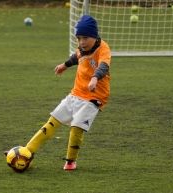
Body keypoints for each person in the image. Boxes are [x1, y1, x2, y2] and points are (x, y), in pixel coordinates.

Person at [8, 15, 111, 171]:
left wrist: (95, 78)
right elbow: (75, 57)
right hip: (76, 93)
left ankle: (70, 161)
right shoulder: (82, 48)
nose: (82, 42)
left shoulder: (103, 48)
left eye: (85, 38)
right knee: (52, 121)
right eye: (79, 38)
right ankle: (27, 151)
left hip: (95, 96)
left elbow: (104, 66)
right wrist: (64, 65)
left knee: (76, 127)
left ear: (94, 36)